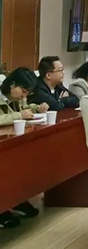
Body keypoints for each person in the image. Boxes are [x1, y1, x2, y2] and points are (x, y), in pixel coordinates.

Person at [0, 68, 46, 228]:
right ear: (12, 84)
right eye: (23, 91)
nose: (24, 96)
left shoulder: (14, 98)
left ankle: (16, 199)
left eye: (27, 93)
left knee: (23, 162)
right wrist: (19, 116)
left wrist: (36, 109)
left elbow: (24, 107)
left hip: (9, 141)